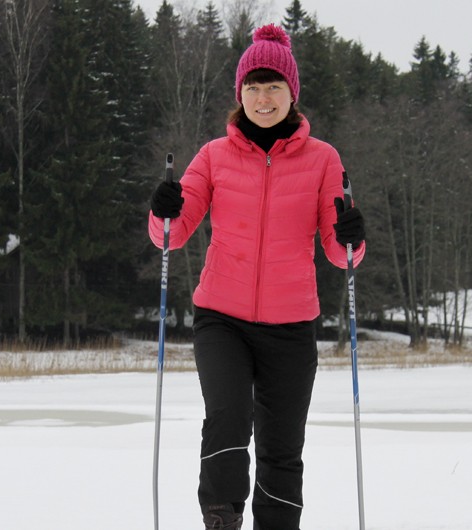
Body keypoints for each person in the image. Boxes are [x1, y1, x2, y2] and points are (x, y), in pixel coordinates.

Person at [148, 23, 366, 530]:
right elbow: (171, 236)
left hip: (291, 327)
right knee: (227, 416)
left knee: (282, 444)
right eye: (253, 86)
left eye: (273, 87)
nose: (263, 98)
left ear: (293, 93)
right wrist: (163, 211)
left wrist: (353, 236)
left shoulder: (322, 159)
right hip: (221, 318)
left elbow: (341, 254)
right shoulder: (213, 156)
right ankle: (221, 519)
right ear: (239, 93)